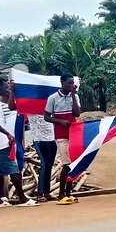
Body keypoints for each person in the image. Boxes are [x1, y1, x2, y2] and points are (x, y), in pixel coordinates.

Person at [0, 77, 38, 208]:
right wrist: (7, 133)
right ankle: (22, 198)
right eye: (4, 87)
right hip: (0, 143)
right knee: (13, 170)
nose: (6, 89)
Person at [8, 81, 57, 202]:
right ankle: (40, 193)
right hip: (39, 138)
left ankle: (46, 192)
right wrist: (13, 92)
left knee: (49, 165)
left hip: (51, 137)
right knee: (45, 165)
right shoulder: (29, 103)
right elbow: (12, 107)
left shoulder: (50, 102)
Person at [45, 73, 81, 205]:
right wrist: (60, 121)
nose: (71, 85)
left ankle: (68, 194)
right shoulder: (53, 98)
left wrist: (72, 96)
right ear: (62, 83)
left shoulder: (75, 96)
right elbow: (47, 117)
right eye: (69, 83)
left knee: (72, 164)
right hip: (61, 136)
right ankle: (61, 194)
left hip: (74, 134)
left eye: (73, 83)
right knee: (66, 164)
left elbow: (77, 113)